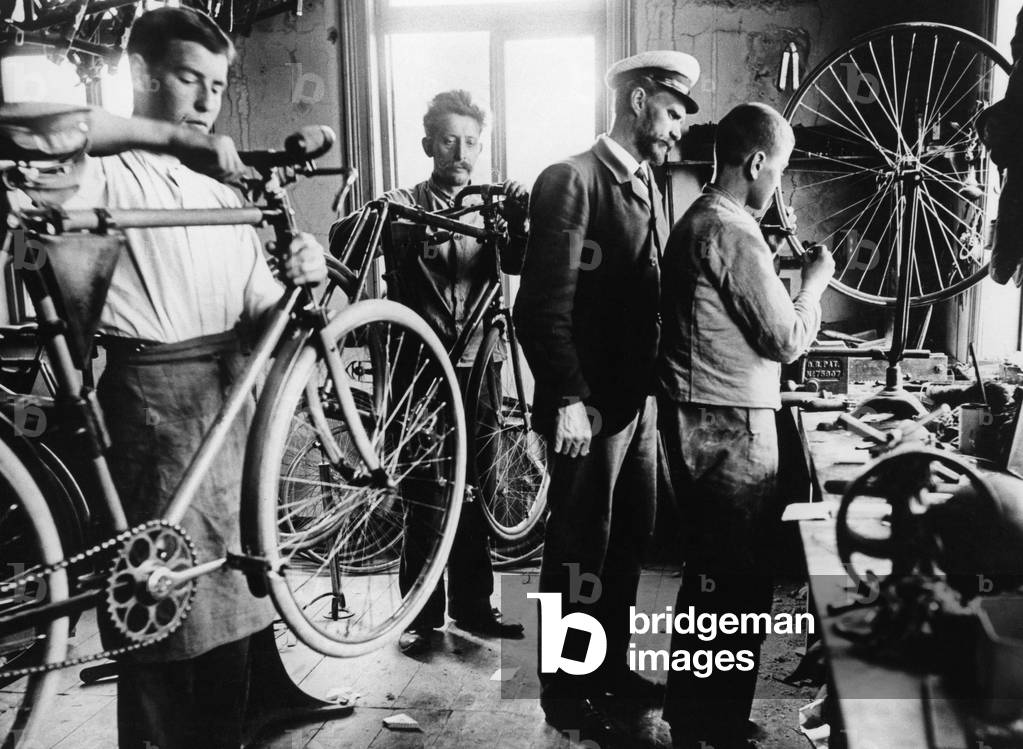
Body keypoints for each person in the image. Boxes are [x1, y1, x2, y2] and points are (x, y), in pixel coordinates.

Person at [33, 8, 327, 748]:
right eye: (189, 79)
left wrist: (303, 282)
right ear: (142, 73)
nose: (206, 101)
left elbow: (264, 319)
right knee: (158, 623)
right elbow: (42, 131)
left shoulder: (226, 196)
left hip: (230, 414)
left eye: (218, 86)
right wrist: (167, 138)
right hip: (152, 414)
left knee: (233, 628)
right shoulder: (100, 173)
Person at [513, 50, 700, 746]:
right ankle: (565, 697)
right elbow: (540, 307)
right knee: (576, 551)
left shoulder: (645, 183)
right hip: (586, 407)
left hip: (634, 401)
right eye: (672, 112)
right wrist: (566, 395)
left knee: (626, 541)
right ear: (638, 99)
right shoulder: (572, 179)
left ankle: (609, 668)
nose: (678, 128)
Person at [657, 102, 834, 749]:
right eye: (778, 172)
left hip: (708, 417)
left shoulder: (703, 219)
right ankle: (716, 722)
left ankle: (694, 715)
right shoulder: (729, 228)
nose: (778, 187)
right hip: (727, 424)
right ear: (756, 162)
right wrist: (813, 285)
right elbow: (785, 339)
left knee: (713, 577)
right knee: (736, 581)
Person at [330, 90, 529, 655]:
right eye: (448, 141)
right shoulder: (403, 203)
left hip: (478, 363)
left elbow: (519, 263)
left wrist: (518, 216)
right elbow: (344, 243)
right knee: (425, 489)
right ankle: (420, 613)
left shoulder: (489, 208)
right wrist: (380, 214)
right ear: (427, 145)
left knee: (476, 485)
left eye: (470, 142)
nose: (460, 153)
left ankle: (474, 605)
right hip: (419, 367)